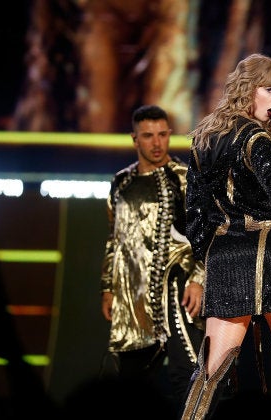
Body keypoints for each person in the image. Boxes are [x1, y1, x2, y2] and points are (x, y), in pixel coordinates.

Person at [180, 53, 271, 419]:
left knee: (211, 370)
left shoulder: (205, 137)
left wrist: (213, 252)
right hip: (270, 254)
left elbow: (194, 210)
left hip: (226, 257)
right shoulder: (252, 136)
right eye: (269, 90)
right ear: (248, 89)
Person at [99, 105, 205, 416]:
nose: (157, 143)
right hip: (134, 294)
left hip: (177, 288)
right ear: (135, 139)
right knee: (132, 379)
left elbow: (205, 234)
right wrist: (108, 287)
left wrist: (198, 279)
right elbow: (114, 238)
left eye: (162, 135)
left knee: (187, 372)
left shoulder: (184, 178)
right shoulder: (121, 182)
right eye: (148, 136)